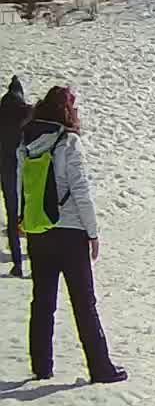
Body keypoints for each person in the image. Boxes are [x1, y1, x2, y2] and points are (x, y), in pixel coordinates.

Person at [19, 87, 127, 384]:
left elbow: (19, 184)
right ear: (66, 111)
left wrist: (21, 221)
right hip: (70, 233)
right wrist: (92, 232)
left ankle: (41, 366)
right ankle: (100, 368)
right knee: (83, 302)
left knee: (42, 300)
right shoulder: (68, 142)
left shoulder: (27, 142)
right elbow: (81, 190)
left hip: (38, 229)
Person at [2, 76, 29, 278]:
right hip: (27, 170)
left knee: (12, 216)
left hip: (6, 170)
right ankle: (35, 260)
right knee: (29, 215)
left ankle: (17, 263)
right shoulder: (26, 112)